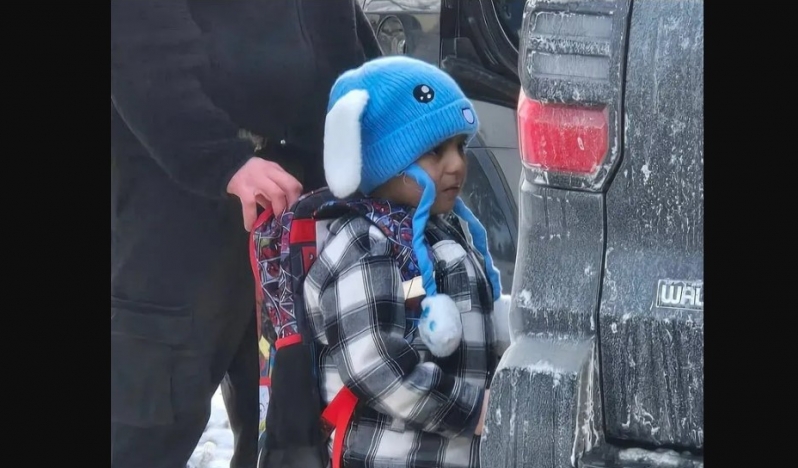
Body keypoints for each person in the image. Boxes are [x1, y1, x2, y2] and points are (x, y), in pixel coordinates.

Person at [110, 1, 381, 467]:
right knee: (146, 424)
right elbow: (140, 56)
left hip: (300, 207)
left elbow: (348, 50)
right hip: (179, 214)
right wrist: (224, 160)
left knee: (288, 428)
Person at [303, 56, 512, 468]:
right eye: (435, 151)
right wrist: (475, 412)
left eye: (460, 146)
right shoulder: (364, 243)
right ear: (387, 160)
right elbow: (375, 365)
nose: (457, 164)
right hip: (389, 457)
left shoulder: (449, 229)